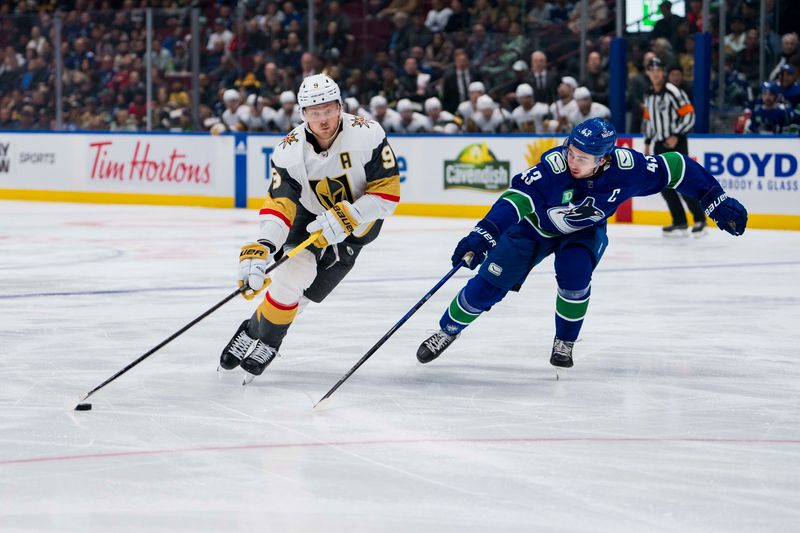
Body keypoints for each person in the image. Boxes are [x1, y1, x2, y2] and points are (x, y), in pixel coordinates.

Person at [416, 118, 747, 370]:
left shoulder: (628, 170)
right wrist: (485, 232)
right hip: (533, 230)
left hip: (583, 230)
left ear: (604, 160)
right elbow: (516, 199)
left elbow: (677, 167)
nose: (573, 160)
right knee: (487, 287)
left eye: (584, 158)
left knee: (574, 277)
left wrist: (714, 198)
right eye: (572, 151)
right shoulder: (553, 168)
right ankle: (448, 329)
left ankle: (564, 341)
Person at [220, 74, 401, 382]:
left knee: (303, 299)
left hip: (357, 230)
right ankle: (270, 343)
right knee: (293, 276)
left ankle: (252, 329)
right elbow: (281, 204)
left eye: (329, 109)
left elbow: (388, 193)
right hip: (308, 218)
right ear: (303, 114)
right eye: (314, 113)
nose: (323, 119)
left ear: (340, 106)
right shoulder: (289, 151)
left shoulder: (368, 134)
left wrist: (353, 214)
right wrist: (264, 245)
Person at [642, 57, 707, 236]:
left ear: (663, 72)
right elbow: (648, 119)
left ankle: (700, 219)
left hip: (676, 143)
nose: (655, 74)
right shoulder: (648, 94)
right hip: (659, 145)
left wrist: (676, 134)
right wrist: (647, 141)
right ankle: (679, 221)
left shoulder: (673, 92)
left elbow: (689, 115)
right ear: (648, 73)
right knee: (664, 186)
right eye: (651, 70)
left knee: (682, 183)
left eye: (658, 70)